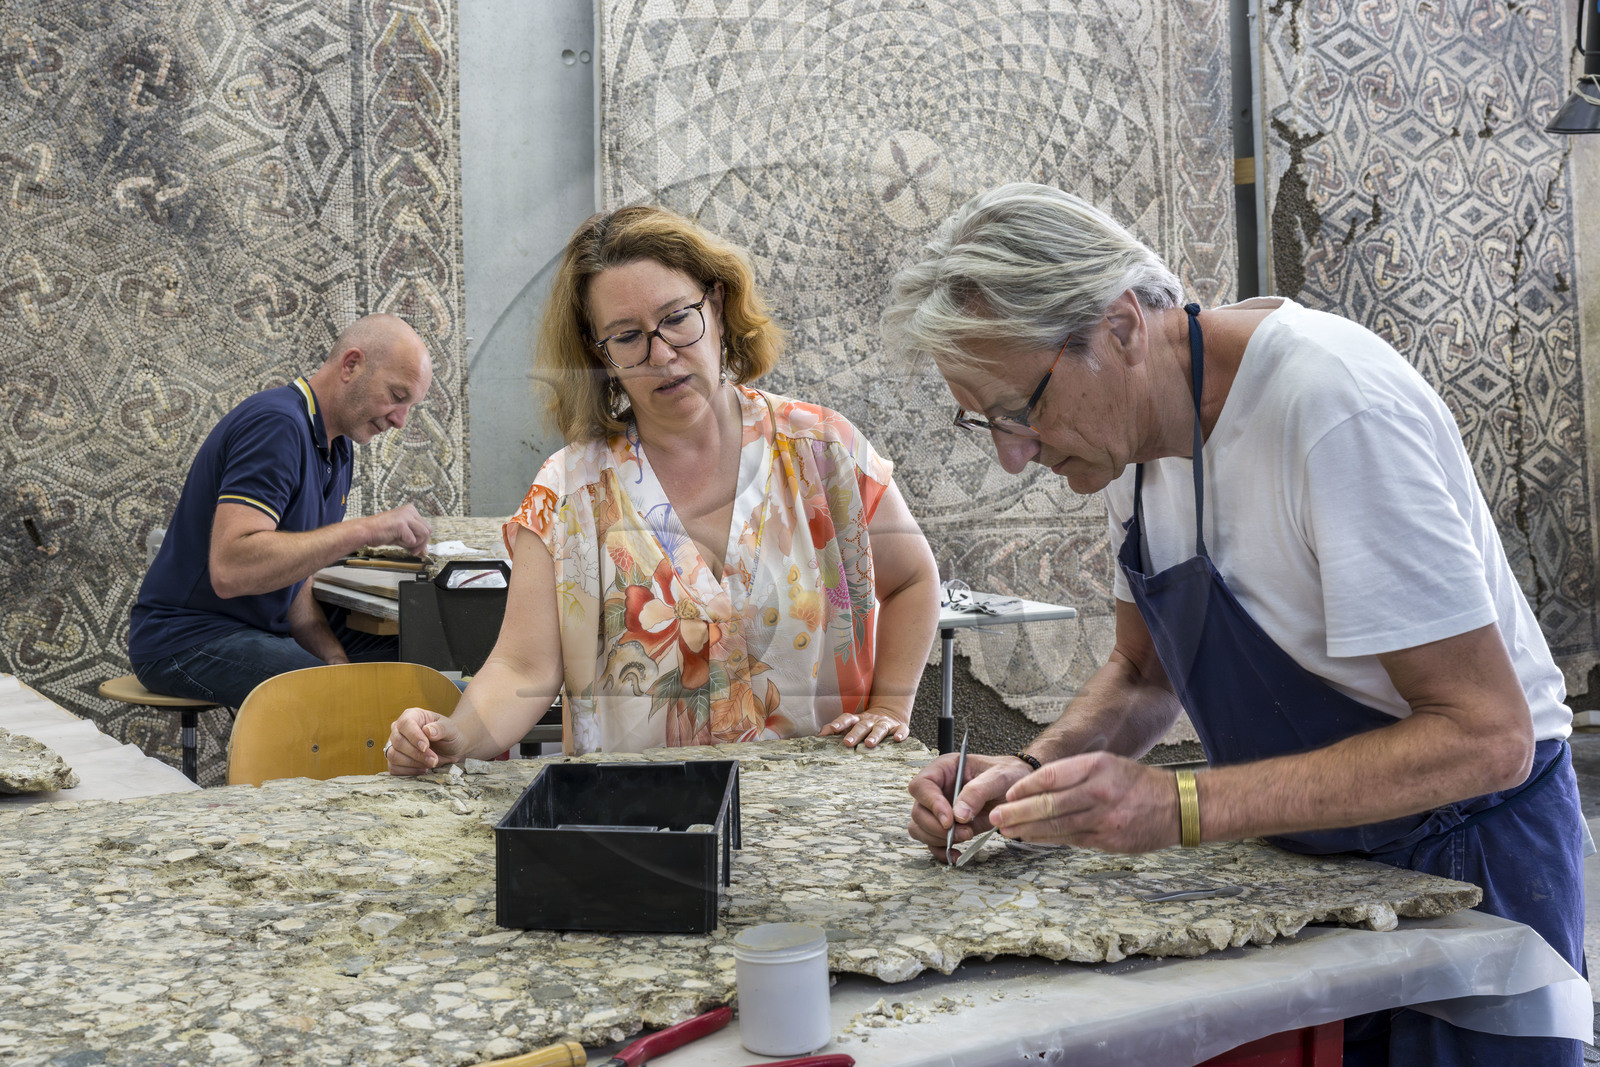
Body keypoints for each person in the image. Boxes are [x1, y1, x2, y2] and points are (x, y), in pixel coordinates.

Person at [887, 183, 1586, 1065]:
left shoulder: (1330, 407)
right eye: (981, 420)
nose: (1013, 453)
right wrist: (1031, 772)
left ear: (1119, 327)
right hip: (1311, 867)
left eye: (1021, 410)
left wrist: (1180, 803)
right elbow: (1144, 674)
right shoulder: (1133, 447)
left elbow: (1485, 738)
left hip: (1467, 866)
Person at [385, 205, 939, 769]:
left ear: (718, 305)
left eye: (678, 318)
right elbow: (521, 669)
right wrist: (450, 737)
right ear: (599, 356)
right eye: (627, 337)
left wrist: (892, 707)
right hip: (645, 828)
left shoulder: (823, 450)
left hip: (822, 813)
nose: (662, 354)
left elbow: (914, 579)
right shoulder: (568, 493)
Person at [129, 314, 434, 709]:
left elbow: (295, 587)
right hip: (185, 640)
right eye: (396, 395)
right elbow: (231, 570)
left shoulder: (337, 448)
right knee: (357, 699)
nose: (399, 420)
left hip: (260, 630)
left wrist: (334, 656)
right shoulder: (277, 425)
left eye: (409, 405)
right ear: (351, 365)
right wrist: (369, 529)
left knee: (418, 668)